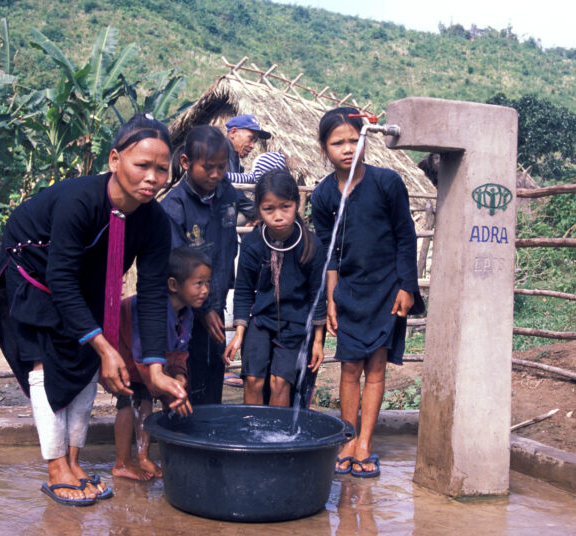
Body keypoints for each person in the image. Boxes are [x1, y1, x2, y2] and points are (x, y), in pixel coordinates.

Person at [0, 113, 187, 506]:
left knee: (84, 360)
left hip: (87, 280)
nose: (152, 177)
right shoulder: (80, 201)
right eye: (142, 165)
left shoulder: (155, 222)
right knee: (47, 359)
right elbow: (60, 279)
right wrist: (106, 347)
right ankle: (56, 465)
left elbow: (150, 295)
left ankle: (75, 463)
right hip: (34, 270)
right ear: (115, 160)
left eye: (162, 169)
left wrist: (155, 368)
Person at [310, 107, 425, 478]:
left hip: (387, 288)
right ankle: (347, 438)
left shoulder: (387, 183)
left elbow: (406, 237)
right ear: (324, 148)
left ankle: (365, 443)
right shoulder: (324, 195)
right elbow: (327, 254)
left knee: (376, 368)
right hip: (349, 291)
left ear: (365, 141)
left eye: (352, 140)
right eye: (337, 142)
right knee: (348, 368)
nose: (346, 149)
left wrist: (407, 285)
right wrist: (330, 299)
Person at [224, 169, 327, 406]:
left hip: (295, 324)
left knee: (280, 383)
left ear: (296, 205)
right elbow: (243, 290)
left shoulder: (311, 246)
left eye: (285, 207)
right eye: (269, 209)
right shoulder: (253, 244)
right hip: (261, 321)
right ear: (259, 209)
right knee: (253, 380)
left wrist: (318, 340)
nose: (278, 216)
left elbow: (317, 296)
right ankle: (252, 434)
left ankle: (275, 439)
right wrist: (239, 334)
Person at [112, 247, 211, 480]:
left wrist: (179, 377)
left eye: (208, 283)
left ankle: (143, 457)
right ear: (174, 285)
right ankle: (122, 462)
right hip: (125, 358)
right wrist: (168, 395)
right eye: (198, 284)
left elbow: (180, 351)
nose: (205, 290)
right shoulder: (147, 309)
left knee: (145, 403)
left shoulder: (186, 313)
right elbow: (141, 355)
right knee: (127, 402)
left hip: (149, 364)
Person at [161, 125, 239, 405]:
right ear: (185, 162)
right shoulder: (174, 208)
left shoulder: (226, 193)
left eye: (221, 167)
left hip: (215, 304)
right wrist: (202, 310)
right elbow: (176, 267)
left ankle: (211, 439)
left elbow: (232, 242)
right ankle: (181, 441)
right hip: (184, 314)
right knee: (184, 375)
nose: (216, 174)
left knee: (214, 374)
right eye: (208, 168)